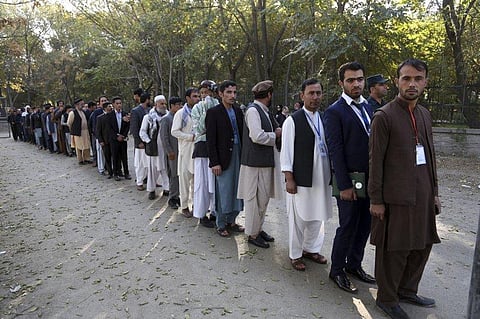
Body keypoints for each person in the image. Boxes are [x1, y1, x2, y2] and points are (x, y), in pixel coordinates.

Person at [368, 58, 440, 319]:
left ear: (425, 83)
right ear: (397, 81)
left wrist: (435, 193)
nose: (412, 84)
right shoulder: (384, 116)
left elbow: (430, 156)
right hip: (395, 198)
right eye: (406, 78)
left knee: (422, 245)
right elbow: (375, 162)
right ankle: (387, 298)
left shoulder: (424, 114)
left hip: (422, 195)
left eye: (418, 79)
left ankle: (407, 289)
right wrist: (376, 200)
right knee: (394, 250)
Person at [324, 61, 375, 293]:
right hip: (349, 179)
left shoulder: (369, 107)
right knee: (347, 225)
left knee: (365, 224)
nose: (356, 84)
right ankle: (337, 270)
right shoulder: (335, 111)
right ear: (341, 83)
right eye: (351, 80)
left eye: (360, 79)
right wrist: (343, 185)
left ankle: (354, 264)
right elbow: (335, 150)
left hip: (371, 178)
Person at [280, 78, 332, 271]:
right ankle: (295, 254)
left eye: (318, 93)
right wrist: (289, 178)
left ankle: (311, 248)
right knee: (299, 217)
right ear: (302, 96)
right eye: (311, 93)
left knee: (317, 216)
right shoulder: (292, 120)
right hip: (301, 179)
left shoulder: (324, 118)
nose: (315, 97)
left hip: (321, 177)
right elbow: (286, 152)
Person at [238, 80, 282, 248]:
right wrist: (275, 134)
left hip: (264, 162)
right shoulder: (253, 111)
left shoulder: (264, 111)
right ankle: (252, 233)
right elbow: (256, 136)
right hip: (254, 164)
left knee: (262, 200)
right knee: (253, 200)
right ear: (269, 95)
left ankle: (258, 228)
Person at [206, 80, 244, 237]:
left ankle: (232, 220)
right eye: (229, 92)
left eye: (234, 92)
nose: (232, 95)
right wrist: (215, 162)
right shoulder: (214, 112)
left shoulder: (238, 110)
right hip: (223, 157)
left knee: (238, 188)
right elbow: (211, 140)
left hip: (239, 153)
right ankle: (221, 223)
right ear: (221, 94)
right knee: (223, 190)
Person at [191, 80, 218, 228]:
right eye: (201, 93)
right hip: (202, 149)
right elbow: (199, 129)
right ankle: (201, 214)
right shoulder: (197, 108)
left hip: (215, 149)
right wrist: (206, 110)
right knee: (202, 183)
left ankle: (215, 212)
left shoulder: (219, 106)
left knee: (215, 183)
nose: (204, 95)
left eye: (206, 92)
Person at [171, 88, 200, 217]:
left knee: (197, 181)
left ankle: (196, 205)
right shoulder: (181, 113)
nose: (197, 98)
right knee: (184, 179)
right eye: (194, 96)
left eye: (198, 96)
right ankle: (184, 207)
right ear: (187, 98)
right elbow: (174, 131)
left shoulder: (201, 112)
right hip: (185, 150)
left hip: (199, 150)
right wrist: (190, 137)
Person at [139, 95, 169, 200]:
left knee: (166, 169)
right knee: (152, 171)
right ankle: (151, 190)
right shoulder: (148, 117)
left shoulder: (168, 116)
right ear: (156, 104)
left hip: (165, 148)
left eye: (165, 103)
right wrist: (149, 142)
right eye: (161, 103)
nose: (164, 106)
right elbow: (142, 132)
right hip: (153, 149)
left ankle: (167, 189)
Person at [160, 97, 182, 209]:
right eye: (177, 105)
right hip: (172, 152)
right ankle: (172, 198)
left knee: (179, 175)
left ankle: (178, 196)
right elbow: (164, 137)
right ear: (171, 106)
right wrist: (169, 151)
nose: (179, 107)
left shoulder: (180, 117)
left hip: (181, 151)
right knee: (173, 175)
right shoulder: (166, 119)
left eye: (180, 104)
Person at [131, 92, 151, 189]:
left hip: (149, 141)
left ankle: (149, 179)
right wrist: (139, 142)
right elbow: (134, 128)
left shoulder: (150, 110)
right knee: (140, 163)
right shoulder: (135, 111)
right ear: (147, 100)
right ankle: (139, 182)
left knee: (149, 163)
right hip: (140, 143)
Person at [108, 97, 131, 181]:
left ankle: (126, 173)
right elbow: (109, 128)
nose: (119, 105)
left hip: (123, 139)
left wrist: (123, 135)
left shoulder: (125, 114)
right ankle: (116, 173)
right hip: (114, 140)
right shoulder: (109, 115)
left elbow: (127, 126)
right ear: (113, 104)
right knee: (115, 156)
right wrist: (116, 136)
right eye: (117, 103)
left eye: (120, 103)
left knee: (124, 156)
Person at [67, 98, 92, 165]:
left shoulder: (83, 111)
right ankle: (80, 160)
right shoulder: (72, 113)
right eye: (81, 104)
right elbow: (69, 123)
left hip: (85, 132)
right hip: (78, 132)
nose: (82, 106)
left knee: (86, 145)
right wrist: (73, 130)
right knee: (79, 147)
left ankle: (87, 158)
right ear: (77, 105)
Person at [89, 96, 108, 172]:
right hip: (100, 136)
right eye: (102, 101)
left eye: (105, 100)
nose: (104, 102)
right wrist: (98, 136)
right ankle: (101, 168)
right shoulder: (96, 112)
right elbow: (94, 125)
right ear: (99, 103)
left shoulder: (110, 111)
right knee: (100, 152)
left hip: (108, 136)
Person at [96, 101, 114, 178]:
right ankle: (110, 172)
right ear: (105, 108)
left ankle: (117, 171)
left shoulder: (114, 116)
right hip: (105, 141)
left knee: (115, 156)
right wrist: (101, 140)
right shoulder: (100, 118)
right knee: (107, 157)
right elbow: (98, 131)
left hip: (114, 140)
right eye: (109, 106)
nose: (111, 108)